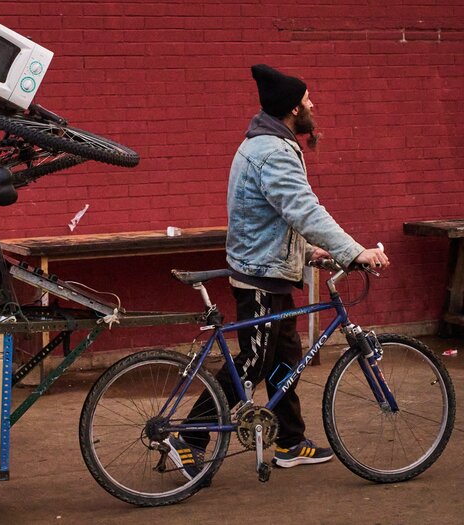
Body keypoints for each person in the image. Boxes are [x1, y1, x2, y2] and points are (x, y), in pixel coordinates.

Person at [167, 64, 390, 477]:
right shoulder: (273, 152)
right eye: (307, 99)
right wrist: (353, 251)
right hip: (260, 278)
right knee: (253, 363)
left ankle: (289, 441)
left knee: (284, 359)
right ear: (293, 109)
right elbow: (303, 210)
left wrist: (308, 251)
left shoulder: (268, 143)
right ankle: (190, 437)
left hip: (271, 271)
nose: (312, 104)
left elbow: (271, 217)